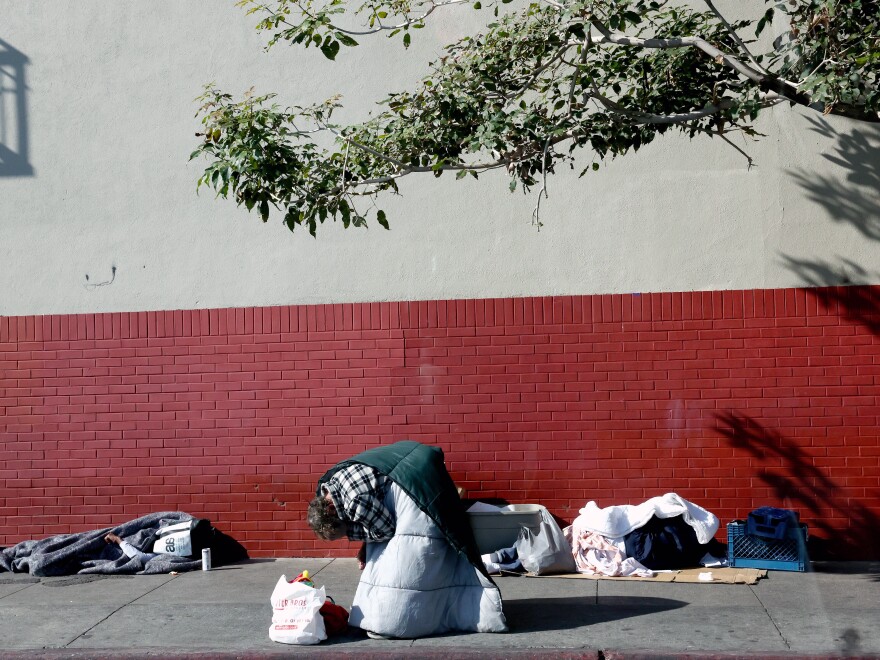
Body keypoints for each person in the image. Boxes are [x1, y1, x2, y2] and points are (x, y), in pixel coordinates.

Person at [306, 440, 507, 639]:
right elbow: (372, 518)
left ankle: (406, 620)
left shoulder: (355, 502)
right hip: (408, 468)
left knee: (413, 562)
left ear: (333, 512)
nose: (347, 531)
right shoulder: (331, 484)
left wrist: (353, 534)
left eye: (343, 529)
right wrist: (364, 546)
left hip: (414, 486)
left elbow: (385, 529)